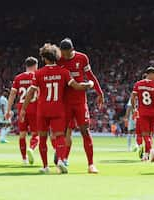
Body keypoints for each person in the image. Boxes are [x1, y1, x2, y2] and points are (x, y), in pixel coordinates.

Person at [20, 43, 94, 174]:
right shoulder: (64, 72)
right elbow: (76, 86)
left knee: (42, 137)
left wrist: (23, 109)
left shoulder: (38, 74)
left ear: (44, 58)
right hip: (58, 110)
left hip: (43, 110)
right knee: (60, 136)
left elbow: (30, 92)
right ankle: (60, 160)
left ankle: (45, 166)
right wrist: (89, 84)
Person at [57, 38, 103, 173]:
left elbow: (90, 75)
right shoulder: (58, 60)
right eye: (62, 53)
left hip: (79, 102)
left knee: (85, 130)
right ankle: (63, 160)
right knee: (65, 132)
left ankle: (91, 164)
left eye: (66, 53)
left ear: (72, 49)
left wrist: (99, 92)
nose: (64, 56)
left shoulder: (82, 58)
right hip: (64, 102)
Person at [5, 57, 39, 165]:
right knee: (35, 134)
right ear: (35, 66)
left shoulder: (18, 78)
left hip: (21, 108)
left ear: (26, 65)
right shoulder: (37, 76)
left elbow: (12, 94)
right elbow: (39, 94)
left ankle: (24, 159)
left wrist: (8, 110)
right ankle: (31, 148)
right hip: (34, 107)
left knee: (22, 134)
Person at [131, 67, 154, 162]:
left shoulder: (138, 84)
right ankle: (146, 155)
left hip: (143, 113)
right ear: (150, 74)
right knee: (150, 135)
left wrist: (134, 109)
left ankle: (151, 151)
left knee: (145, 135)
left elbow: (133, 98)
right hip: (153, 114)